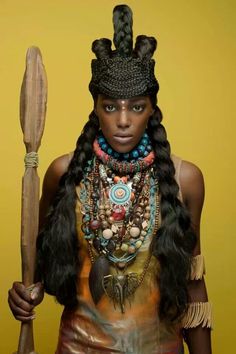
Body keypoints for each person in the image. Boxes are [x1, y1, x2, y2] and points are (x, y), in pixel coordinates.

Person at [8, 4, 212, 354]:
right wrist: (27, 293)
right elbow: (41, 265)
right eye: (109, 106)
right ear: (96, 106)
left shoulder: (185, 178)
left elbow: (193, 285)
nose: (122, 120)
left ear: (152, 109)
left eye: (136, 106)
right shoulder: (63, 172)